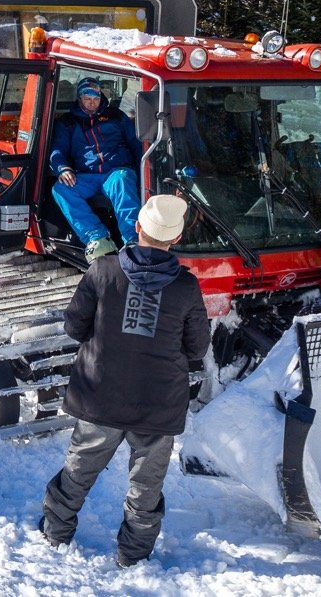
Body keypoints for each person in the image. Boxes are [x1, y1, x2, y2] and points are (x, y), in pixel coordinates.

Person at [39, 194, 210, 568]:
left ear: (137, 227)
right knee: (146, 488)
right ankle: (133, 557)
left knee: (78, 471)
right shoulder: (185, 287)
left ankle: (55, 533)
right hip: (158, 405)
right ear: (176, 238)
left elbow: (74, 327)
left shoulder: (103, 270)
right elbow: (197, 348)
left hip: (100, 395)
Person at [48, 77, 143, 262]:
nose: (92, 103)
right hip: (86, 175)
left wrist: (144, 171)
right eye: (87, 98)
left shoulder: (116, 116)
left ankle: (132, 239)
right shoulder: (68, 122)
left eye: (96, 98)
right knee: (61, 189)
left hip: (115, 171)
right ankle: (97, 237)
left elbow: (135, 143)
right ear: (79, 98)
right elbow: (57, 150)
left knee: (122, 182)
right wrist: (62, 168)